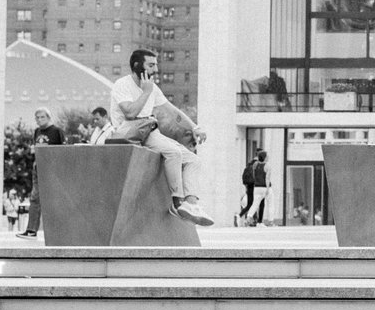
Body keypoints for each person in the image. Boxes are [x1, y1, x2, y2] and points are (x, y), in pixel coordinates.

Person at [108, 49, 214, 226]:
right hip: (130, 132)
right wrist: (146, 92)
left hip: (148, 131)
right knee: (173, 152)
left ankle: (191, 204)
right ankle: (176, 202)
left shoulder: (152, 88)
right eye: (151, 65)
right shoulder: (122, 84)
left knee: (194, 160)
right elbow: (130, 113)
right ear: (136, 66)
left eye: (156, 65)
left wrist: (194, 127)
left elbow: (172, 111)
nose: (155, 69)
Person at [24, 110, 65, 237]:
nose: (39, 119)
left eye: (42, 117)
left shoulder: (57, 131)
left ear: (48, 117)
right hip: (38, 167)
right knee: (35, 198)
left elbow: (63, 150)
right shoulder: (37, 132)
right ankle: (31, 229)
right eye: (37, 117)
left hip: (52, 169)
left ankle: (58, 231)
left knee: (54, 199)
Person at [239, 147, 269, 226]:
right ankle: (258, 221)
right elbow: (265, 177)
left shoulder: (251, 163)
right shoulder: (261, 164)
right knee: (260, 204)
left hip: (251, 185)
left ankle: (242, 216)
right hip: (258, 185)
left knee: (251, 204)